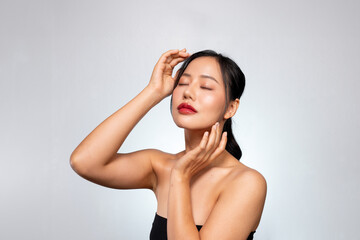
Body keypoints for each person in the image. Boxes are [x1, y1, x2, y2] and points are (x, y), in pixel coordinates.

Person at [70, 48, 267, 240]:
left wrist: (180, 176)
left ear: (231, 108)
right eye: (182, 83)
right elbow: (85, 162)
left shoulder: (246, 182)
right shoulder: (160, 166)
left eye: (205, 87)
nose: (188, 92)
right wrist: (153, 91)